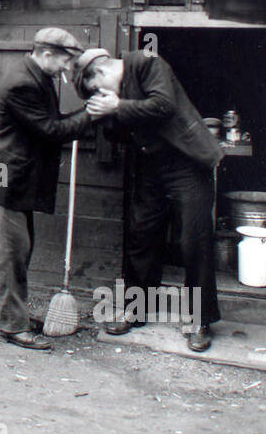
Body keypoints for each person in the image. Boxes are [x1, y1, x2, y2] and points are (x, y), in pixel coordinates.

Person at [74, 47, 224, 352]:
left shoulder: (146, 63)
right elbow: (118, 132)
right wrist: (106, 118)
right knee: (141, 235)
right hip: (150, 168)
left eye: (97, 90)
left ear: (101, 74)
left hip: (187, 164)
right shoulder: (116, 95)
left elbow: (163, 106)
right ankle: (137, 309)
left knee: (193, 241)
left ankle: (199, 320)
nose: (102, 95)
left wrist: (117, 106)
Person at [0, 28, 93, 350]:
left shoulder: (38, 77)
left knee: (18, 249)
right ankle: (11, 327)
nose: (66, 69)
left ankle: (14, 317)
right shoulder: (23, 83)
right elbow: (51, 130)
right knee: (9, 253)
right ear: (46, 54)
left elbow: (50, 123)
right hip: (3, 177)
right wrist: (92, 114)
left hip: (13, 174)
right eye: (64, 62)